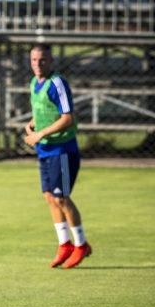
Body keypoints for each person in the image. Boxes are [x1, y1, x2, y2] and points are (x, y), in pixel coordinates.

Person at [23, 43, 92, 269]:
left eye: (42, 60)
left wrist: (40, 133)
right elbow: (43, 110)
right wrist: (33, 124)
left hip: (62, 149)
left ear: (51, 61)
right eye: (34, 60)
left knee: (61, 197)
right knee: (49, 197)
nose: (37, 64)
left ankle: (81, 245)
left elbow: (67, 117)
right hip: (44, 149)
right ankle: (65, 244)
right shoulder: (35, 82)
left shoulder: (57, 83)